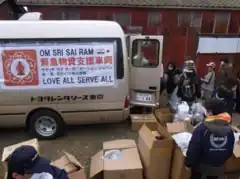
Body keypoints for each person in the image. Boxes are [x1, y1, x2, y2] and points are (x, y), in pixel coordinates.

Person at [185, 112, 234, 179]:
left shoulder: (202, 128)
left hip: (200, 165)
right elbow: (230, 150)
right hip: (218, 166)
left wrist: (188, 163)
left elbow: (194, 148)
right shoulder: (230, 131)